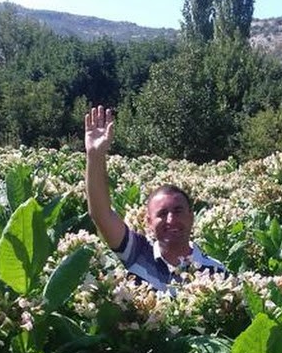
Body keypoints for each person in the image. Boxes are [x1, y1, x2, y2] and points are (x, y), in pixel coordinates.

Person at [84, 105, 225, 291]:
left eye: (178, 210)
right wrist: (95, 156)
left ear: (191, 216)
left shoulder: (217, 272)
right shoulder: (137, 252)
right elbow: (101, 214)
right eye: (162, 213)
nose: (171, 219)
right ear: (148, 222)